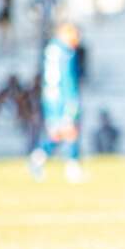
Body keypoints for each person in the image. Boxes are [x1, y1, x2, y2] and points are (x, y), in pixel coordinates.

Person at [29, 22, 84, 183]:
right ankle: (72, 167)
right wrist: (71, 100)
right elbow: (68, 79)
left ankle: (37, 158)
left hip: (50, 97)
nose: (76, 39)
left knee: (57, 134)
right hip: (62, 97)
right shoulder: (66, 52)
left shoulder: (51, 49)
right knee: (70, 130)